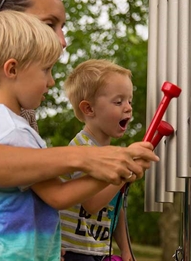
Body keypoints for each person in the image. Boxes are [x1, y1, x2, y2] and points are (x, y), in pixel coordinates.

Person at [0, 0, 159, 259]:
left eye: (62, 27)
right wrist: (87, 158)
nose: (62, 40)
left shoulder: (23, 112)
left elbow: (2, 197)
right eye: (49, 24)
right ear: (7, 22)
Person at [60, 59, 137, 261]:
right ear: (89, 109)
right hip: (74, 252)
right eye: (118, 101)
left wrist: (126, 248)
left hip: (99, 250)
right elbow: (91, 204)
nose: (128, 108)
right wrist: (125, 171)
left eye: (130, 100)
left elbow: (115, 206)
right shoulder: (82, 148)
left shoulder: (112, 154)